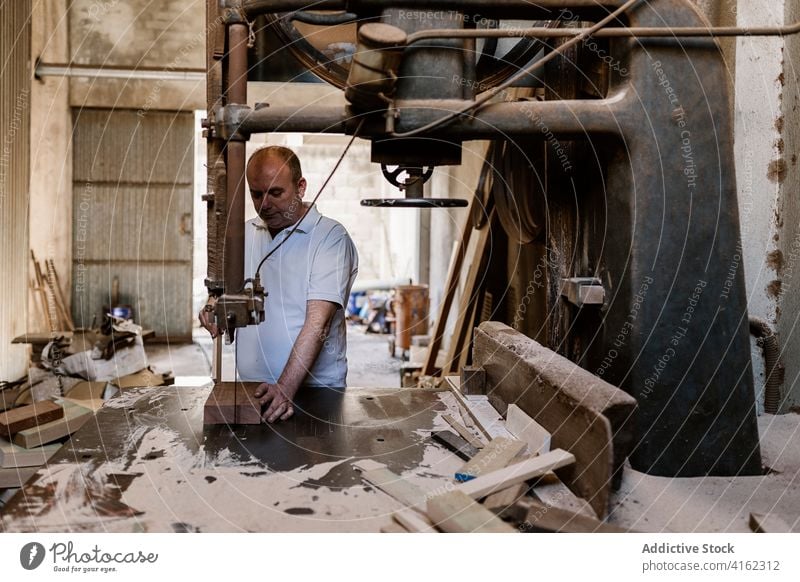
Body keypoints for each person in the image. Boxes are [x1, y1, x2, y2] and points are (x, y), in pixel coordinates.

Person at [200, 146, 358, 424]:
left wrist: (285, 389)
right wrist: (214, 310)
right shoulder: (243, 234)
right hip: (252, 390)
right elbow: (226, 296)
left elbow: (317, 323)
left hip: (315, 392)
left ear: (301, 187)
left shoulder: (329, 238)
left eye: (276, 193)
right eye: (256, 194)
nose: (264, 205)